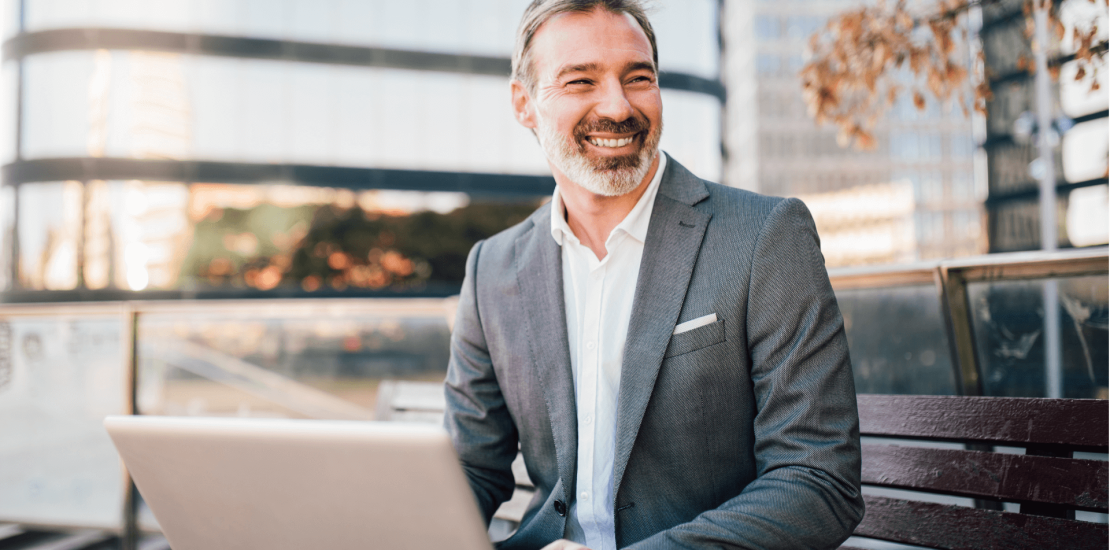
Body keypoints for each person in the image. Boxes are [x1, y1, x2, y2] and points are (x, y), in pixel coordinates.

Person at [444, 1, 864, 548]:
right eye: (581, 81)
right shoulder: (492, 269)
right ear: (524, 104)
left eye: (637, 78)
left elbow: (819, 480)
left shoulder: (765, 237)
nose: (618, 107)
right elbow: (471, 470)